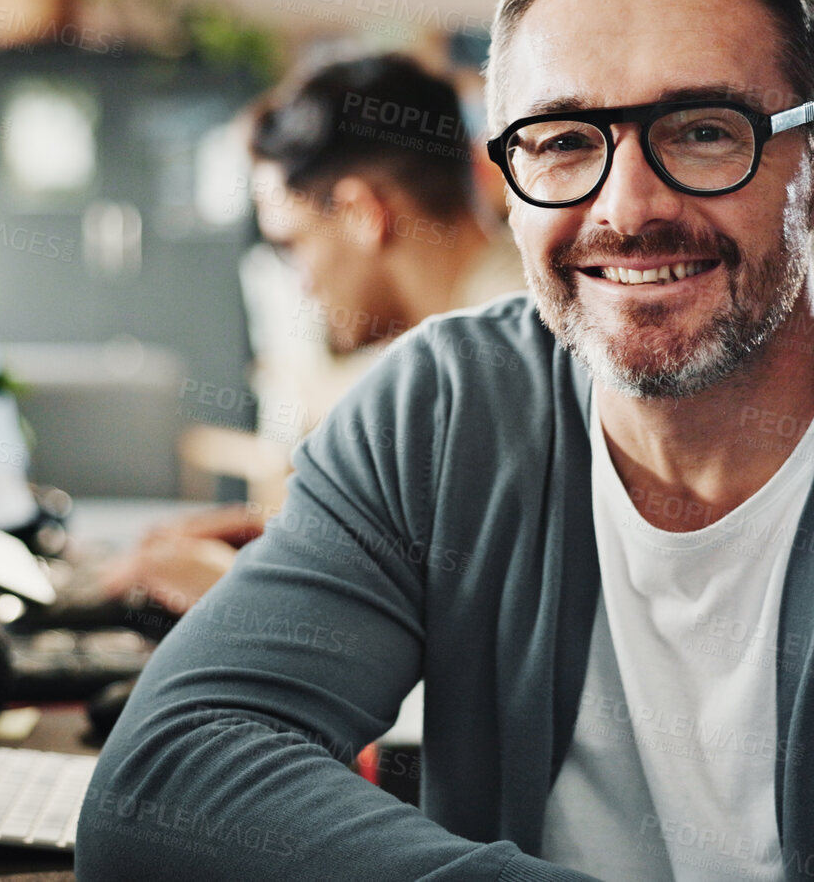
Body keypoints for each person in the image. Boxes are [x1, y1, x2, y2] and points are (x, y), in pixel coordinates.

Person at [77, 0, 814, 882]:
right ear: (508, 185)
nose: (627, 205)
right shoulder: (438, 415)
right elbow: (161, 787)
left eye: (700, 131)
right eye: (562, 141)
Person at [98, 53, 525, 614]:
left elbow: (449, 634)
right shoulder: (490, 321)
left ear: (360, 213)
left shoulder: (487, 362)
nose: (302, 285)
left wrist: (225, 589)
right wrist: (284, 538)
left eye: (293, 244)